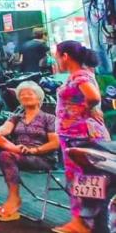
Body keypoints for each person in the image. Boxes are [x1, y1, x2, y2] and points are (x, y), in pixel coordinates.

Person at [53, 41, 110, 233]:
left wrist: (78, 113)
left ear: (65, 56)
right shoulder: (80, 75)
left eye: (57, 56)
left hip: (79, 135)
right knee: (84, 178)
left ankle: (82, 223)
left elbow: (93, 97)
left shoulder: (79, 75)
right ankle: (84, 222)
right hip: (78, 134)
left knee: (80, 178)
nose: (57, 60)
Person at [0, 81, 59, 222]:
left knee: (5, 154)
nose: (25, 96)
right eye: (22, 95)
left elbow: (55, 143)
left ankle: (14, 199)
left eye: (29, 93)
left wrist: (34, 150)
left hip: (40, 157)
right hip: (17, 153)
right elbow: (5, 128)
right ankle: (11, 147)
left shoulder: (49, 118)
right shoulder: (17, 116)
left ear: (38, 98)